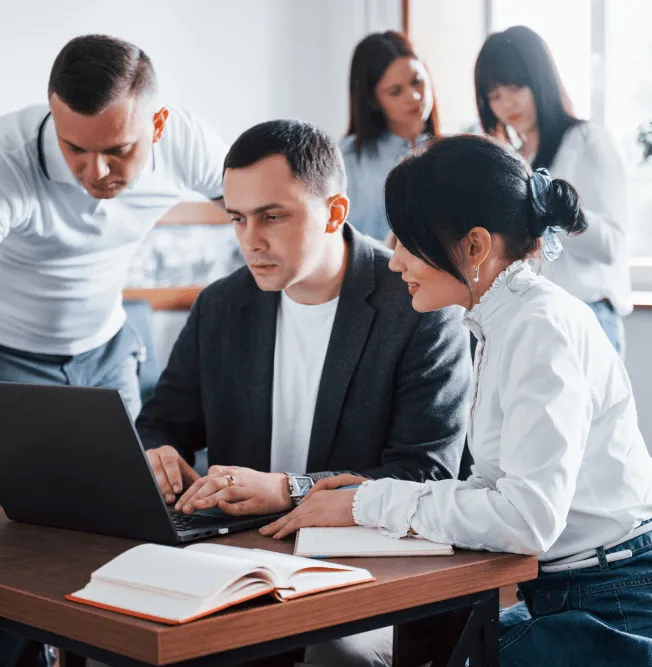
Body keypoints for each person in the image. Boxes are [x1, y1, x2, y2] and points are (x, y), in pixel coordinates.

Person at [262, 134, 652, 666]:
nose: (395, 260)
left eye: (408, 241)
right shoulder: (502, 320)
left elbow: (527, 519)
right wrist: (374, 494)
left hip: (611, 603)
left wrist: (366, 504)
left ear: (474, 247)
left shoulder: (540, 328)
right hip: (572, 588)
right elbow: (497, 490)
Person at [136, 120, 471, 667]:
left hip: (374, 569)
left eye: (272, 216)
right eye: (238, 218)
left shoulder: (419, 305)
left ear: (335, 213)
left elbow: (426, 474)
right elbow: (163, 422)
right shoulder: (220, 305)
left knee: (335, 653)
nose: (251, 240)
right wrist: (161, 455)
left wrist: (290, 490)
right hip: (240, 560)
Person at [0, 34, 229, 417]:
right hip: (11, 357)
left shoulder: (185, 143)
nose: (96, 173)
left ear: (158, 125)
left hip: (109, 352)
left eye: (117, 150)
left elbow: (256, 208)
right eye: (74, 148)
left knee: (129, 459)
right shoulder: (9, 157)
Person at [474, 25, 631, 353]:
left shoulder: (587, 140)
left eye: (515, 86)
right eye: (495, 95)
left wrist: (559, 208)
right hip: (535, 319)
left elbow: (612, 245)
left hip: (588, 316)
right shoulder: (515, 158)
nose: (507, 104)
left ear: (540, 78)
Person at [340, 31, 439, 242]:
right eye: (395, 91)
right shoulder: (347, 159)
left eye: (417, 81)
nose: (414, 96)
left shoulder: (453, 150)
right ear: (372, 101)